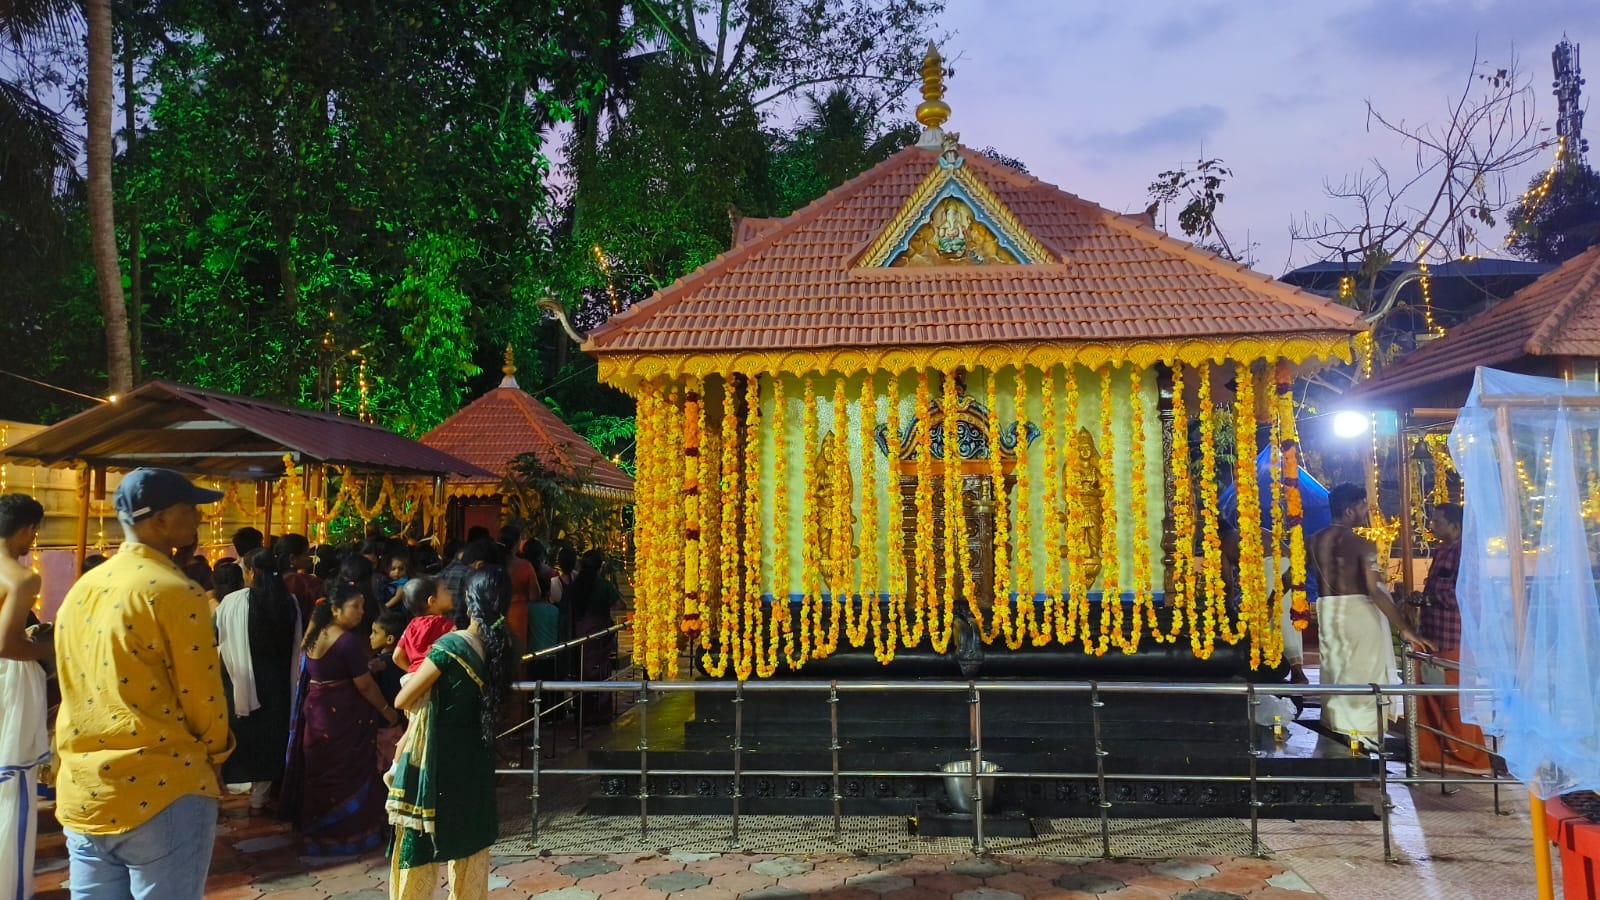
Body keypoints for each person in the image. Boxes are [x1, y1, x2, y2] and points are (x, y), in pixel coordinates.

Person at [54, 468, 235, 899]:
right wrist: (216, 755)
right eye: (189, 509)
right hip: (162, 788)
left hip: (85, 792)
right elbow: (203, 697)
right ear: (158, 521)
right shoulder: (176, 591)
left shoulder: (82, 589)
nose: (198, 517)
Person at [387, 567, 513, 898]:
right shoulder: (502, 647)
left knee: (419, 842)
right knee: (470, 843)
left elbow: (403, 698)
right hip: (475, 757)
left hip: (437, 755)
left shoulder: (452, 645)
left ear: (470, 603)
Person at [1309, 482, 1434, 750]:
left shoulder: (1313, 541)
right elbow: (1375, 589)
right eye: (1363, 506)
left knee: (1337, 675)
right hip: (1360, 617)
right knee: (1365, 679)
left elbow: (1291, 578)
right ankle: (1363, 744)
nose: (1367, 512)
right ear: (1350, 510)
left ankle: (1339, 736)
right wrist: (1404, 628)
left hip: (1329, 615)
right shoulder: (1360, 543)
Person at [281, 584, 399, 855]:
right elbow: (366, 686)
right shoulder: (346, 642)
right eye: (355, 607)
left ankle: (319, 836)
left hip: (319, 713)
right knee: (348, 773)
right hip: (344, 717)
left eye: (362, 606)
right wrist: (387, 711)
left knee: (323, 773)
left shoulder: (314, 633)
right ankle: (352, 837)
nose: (361, 612)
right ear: (335, 610)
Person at [1407, 503, 1494, 773]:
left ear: (1455, 527)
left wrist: (1427, 599)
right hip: (1433, 635)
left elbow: (1469, 595)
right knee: (1431, 696)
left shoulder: (1467, 553)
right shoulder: (1444, 549)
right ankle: (1438, 757)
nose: (1432, 524)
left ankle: (1471, 760)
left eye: (1437, 520)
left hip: (1454, 636)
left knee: (1454, 702)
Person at [216, 548, 300, 815]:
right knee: (270, 740)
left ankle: (220, 795)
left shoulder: (232, 602)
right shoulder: (289, 601)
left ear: (250, 572)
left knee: (240, 737)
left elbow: (214, 637)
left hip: (238, 680)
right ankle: (258, 799)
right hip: (277, 684)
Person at [0, 494, 53, 900]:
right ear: (27, 528)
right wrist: (50, 648)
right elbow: (6, 644)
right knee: (12, 791)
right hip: (7, 687)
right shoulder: (20, 578)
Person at [370, 607, 409, 772]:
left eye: (375, 632)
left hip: (382, 726)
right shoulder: (405, 662)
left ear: (390, 639)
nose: (370, 637)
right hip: (400, 724)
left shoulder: (377, 665)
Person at [393, 576, 454, 673]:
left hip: (415, 679)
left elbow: (397, 657)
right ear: (432, 601)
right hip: (437, 677)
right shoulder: (446, 625)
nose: (451, 593)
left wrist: (414, 673)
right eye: (445, 590)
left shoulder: (412, 625)